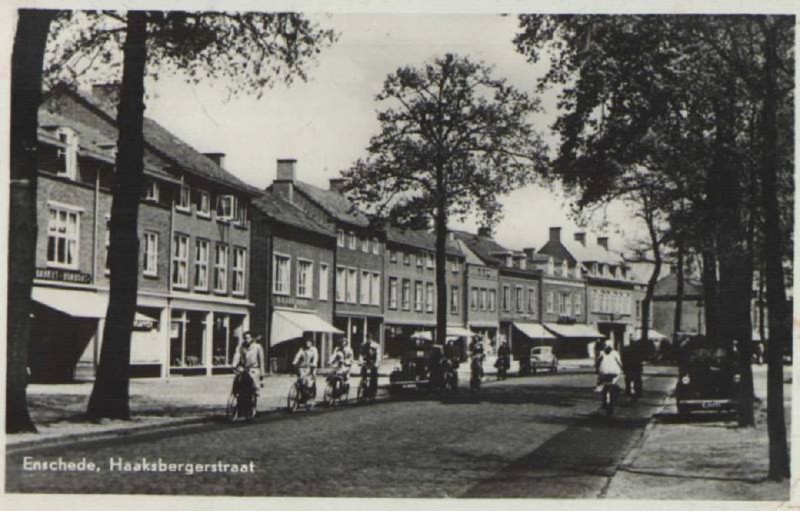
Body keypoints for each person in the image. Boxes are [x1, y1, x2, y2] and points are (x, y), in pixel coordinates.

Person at [231, 331, 265, 396]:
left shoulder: (257, 347)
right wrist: (234, 365)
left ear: (252, 338)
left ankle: (255, 393)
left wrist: (262, 376)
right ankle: (236, 393)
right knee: (237, 379)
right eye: (245, 338)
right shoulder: (241, 347)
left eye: (248, 338)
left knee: (254, 381)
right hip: (243, 368)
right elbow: (237, 355)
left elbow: (261, 362)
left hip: (253, 368)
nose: (246, 340)